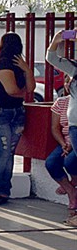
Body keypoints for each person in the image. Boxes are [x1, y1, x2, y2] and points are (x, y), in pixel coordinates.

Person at [0, 32, 34, 205]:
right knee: (3, 152)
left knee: (6, 152)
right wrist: (23, 92)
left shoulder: (15, 64)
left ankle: (1, 190)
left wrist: (27, 70)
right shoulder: (4, 64)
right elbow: (13, 90)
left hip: (11, 111)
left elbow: (30, 87)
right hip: (1, 112)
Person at [44, 89, 77, 225]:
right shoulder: (61, 102)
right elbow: (55, 128)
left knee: (70, 162)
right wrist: (63, 144)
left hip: (75, 142)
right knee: (51, 163)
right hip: (65, 142)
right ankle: (71, 191)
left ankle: (74, 182)